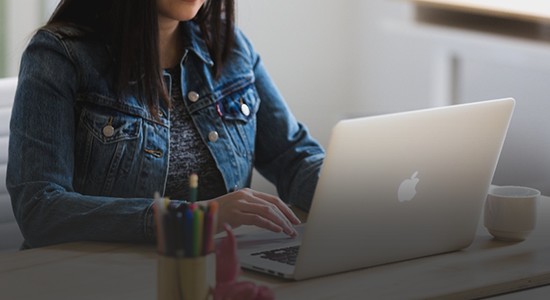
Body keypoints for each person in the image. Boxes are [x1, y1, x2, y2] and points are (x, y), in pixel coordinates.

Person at [7, 0, 324, 249]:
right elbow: (40, 209)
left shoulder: (231, 47)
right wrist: (193, 219)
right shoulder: (59, 56)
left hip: (216, 273)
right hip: (98, 280)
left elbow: (293, 157)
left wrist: (351, 190)